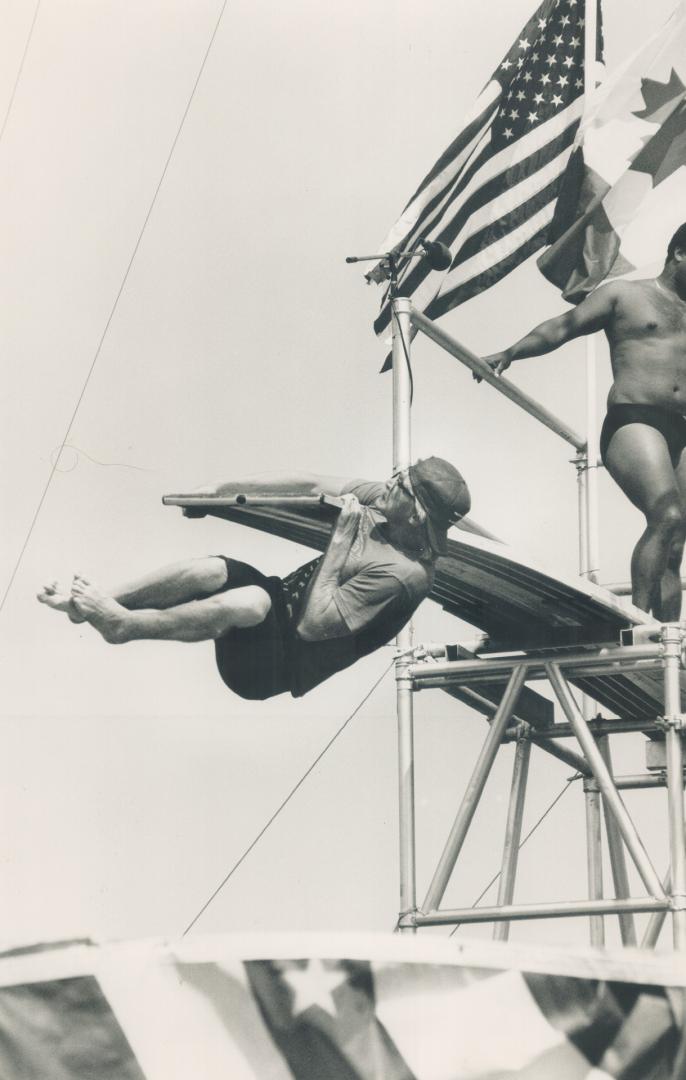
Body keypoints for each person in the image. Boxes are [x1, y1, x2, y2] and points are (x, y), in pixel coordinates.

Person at [37, 457, 470, 700]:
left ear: (417, 515)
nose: (389, 483)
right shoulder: (388, 502)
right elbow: (308, 479)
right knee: (212, 569)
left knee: (251, 603)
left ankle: (122, 626)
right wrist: (221, 489)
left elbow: (311, 626)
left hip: (278, 664)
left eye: (401, 485)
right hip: (280, 603)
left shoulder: (403, 575)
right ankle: (88, 605)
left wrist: (338, 545)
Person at [482, 224, 686, 622]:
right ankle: (639, 625)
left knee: (677, 540)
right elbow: (562, 327)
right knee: (666, 515)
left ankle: (668, 643)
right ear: (679, 253)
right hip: (635, 420)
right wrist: (511, 353)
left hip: (681, 426)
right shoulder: (626, 294)